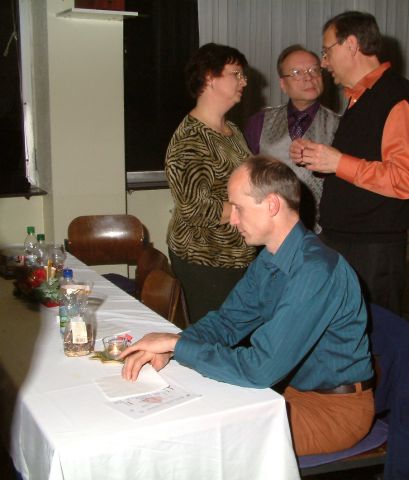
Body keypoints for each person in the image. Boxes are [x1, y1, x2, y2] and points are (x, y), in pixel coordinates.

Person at [121, 156, 375, 456]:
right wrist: (175, 344)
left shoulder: (316, 271)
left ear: (272, 205)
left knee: (211, 442)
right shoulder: (270, 258)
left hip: (334, 411)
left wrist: (178, 345)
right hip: (289, 392)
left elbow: (260, 368)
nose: (232, 219)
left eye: (238, 207)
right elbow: (227, 322)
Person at [289, 11, 409, 313]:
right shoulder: (361, 97)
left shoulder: (397, 96)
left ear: (351, 45)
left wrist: (338, 162)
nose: (324, 63)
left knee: (374, 336)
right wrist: (322, 159)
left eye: (327, 51)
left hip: (372, 253)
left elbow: (408, 179)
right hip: (348, 243)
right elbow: (364, 163)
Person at [165, 43, 255, 321]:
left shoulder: (232, 130)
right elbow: (196, 208)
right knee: (214, 337)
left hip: (238, 256)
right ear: (209, 77)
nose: (244, 81)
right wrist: (252, 211)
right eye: (236, 74)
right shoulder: (190, 138)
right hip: (206, 258)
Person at [244, 45, 340, 233]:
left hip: (322, 231)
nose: (309, 77)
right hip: (268, 229)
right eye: (297, 72)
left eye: (314, 70)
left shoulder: (340, 125)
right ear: (283, 84)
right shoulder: (259, 122)